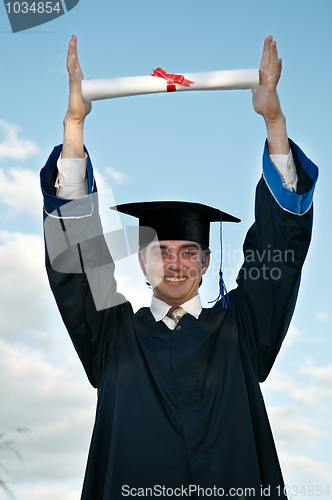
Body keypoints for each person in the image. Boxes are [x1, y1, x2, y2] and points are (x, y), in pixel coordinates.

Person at [40, 35, 318, 499]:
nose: (174, 263)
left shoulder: (240, 332)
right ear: (141, 260)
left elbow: (281, 249)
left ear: (206, 262)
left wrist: (274, 121)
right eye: (160, 250)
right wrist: (73, 128)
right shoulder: (111, 335)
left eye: (188, 252)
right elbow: (75, 263)